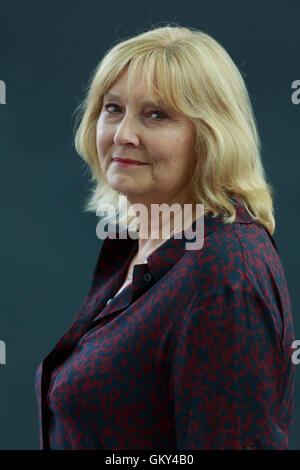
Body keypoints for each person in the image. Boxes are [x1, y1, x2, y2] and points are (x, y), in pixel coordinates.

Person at [34, 24, 295, 450]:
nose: (123, 135)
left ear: (212, 137)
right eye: (112, 108)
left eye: (157, 115)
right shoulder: (136, 247)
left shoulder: (226, 274)